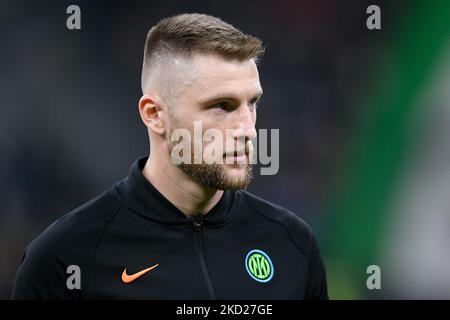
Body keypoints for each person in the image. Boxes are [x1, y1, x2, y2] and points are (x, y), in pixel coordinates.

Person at [12, 13, 328, 299]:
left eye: (252, 103)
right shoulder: (64, 259)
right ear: (154, 115)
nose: (248, 129)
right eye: (222, 106)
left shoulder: (292, 244)